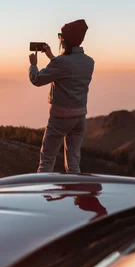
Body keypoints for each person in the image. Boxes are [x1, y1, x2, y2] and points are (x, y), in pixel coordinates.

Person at [29, 19, 94, 173]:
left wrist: (33, 64)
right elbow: (68, 72)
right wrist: (52, 57)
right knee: (73, 164)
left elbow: (37, 79)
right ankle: (75, 194)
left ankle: (41, 195)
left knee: (46, 162)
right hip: (80, 117)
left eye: (60, 37)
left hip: (60, 118)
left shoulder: (62, 62)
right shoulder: (89, 62)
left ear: (65, 40)